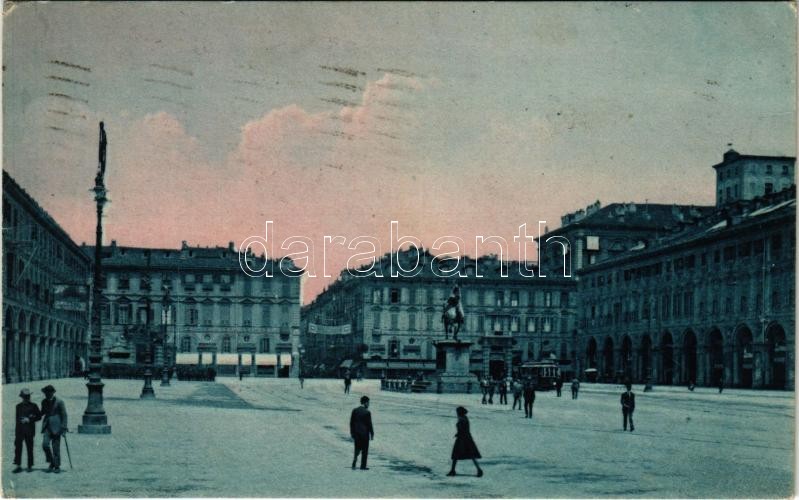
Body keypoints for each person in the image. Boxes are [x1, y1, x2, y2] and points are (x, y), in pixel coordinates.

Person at [447, 406, 483, 477]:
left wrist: (458, 433)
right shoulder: (465, 418)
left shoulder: (461, 419)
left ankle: (453, 470)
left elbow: (462, 429)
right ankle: (479, 469)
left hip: (462, 439)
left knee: (455, 455)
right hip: (467, 438)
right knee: (471, 455)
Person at [40, 385, 68, 473]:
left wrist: (63, 428)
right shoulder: (44, 401)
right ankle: (51, 461)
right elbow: (42, 412)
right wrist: (34, 415)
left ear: (52, 393)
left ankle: (57, 466)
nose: (46, 395)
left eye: (48, 393)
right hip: (47, 426)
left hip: (57, 426)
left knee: (56, 447)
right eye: (45, 393)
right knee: (45, 445)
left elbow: (64, 415)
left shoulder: (59, 402)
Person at [13, 388, 41, 473]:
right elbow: (17, 420)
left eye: (28, 396)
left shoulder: (34, 406)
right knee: (18, 448)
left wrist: (29, 419)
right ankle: (18, 465)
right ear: (22, 397)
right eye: (25, 396)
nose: (27, 398)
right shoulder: (18, 406)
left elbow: (39, 416)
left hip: (29, 430)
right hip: (20, 431)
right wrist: (16, 432)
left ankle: (30, 465)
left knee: (29, 448)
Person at [350, 396, 374, 470]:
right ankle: (363, 466)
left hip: (356, 433)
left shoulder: (355, 410)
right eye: (368, 403)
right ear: (365, 402)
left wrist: (352, 432)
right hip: (364, 434)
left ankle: (355, 458)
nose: (369, 404)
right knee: (365, 450)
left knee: (357, 447)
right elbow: (369, 424)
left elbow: (351, 423)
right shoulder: (367, 412)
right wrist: (372, 433)